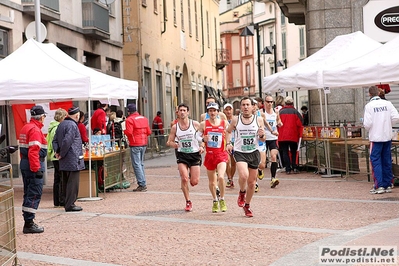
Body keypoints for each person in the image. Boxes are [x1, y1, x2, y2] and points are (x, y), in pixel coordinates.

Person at [225, 97, 266, 217]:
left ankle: (247, 205)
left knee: (252, 183)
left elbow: (263, 138)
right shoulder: (235, 120)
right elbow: (228, 131)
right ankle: (242, 192)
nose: (246, 107)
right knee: (243, 175)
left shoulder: (258, 120)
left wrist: (262, 135)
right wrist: (228, 143)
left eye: (248, 105)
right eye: (243, 105)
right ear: (241, 107)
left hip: (253, 152)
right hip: (240, 152)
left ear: (253, 107)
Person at [166, 103, 204, 211]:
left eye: (184, 110)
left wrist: (202, 146)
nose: (182, 112)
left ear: (188, 112)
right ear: (177, 112)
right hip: (182, 154)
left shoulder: (195, 124)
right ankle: (188, 201)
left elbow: (203, 138)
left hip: (194, 154)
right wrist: (173, 144)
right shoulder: (175, 127)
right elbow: (169, 141)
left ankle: (192, 175)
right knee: (184, 178)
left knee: (194, 182)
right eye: (180, 110)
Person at [364, 86, 399, 194]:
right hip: (387, 136)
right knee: (386, 159)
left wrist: (372, 128)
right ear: (379, 93)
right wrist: (388, 125)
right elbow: (396, 117)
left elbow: (367, 124)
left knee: (375, 161)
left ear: (370, 94)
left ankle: (379, 185)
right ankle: (388, 184)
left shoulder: (369, 106)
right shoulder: (387, 104)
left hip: (376, 137)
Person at [20, 105, 48, 234]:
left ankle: (28, 220)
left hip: (25, 164)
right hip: (33, 164)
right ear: (41, 117)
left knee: (28, 191)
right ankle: (29, 223)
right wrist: (36, 169)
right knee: (34, 192)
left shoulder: (26, 127)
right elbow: (33, 152)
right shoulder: (35, 130)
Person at [197, 102, 228, 213]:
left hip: (221, 154)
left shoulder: (224, 123)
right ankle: (215, 200)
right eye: (210, 110)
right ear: (208, 112)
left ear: (218, 112)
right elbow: (197, 136)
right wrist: (202, 141)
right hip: (210, 155)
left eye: (214, 110)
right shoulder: (203, 124)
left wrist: (229, 143)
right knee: (212, 182)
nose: (212, 112)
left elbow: (230, 133)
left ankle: (222, 199)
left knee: (220, 177)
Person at [53, 106, 85, 212]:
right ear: (77, 115)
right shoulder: (72, 125)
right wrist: (61, 153)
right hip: (72, 157)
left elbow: (55, 140)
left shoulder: (61, 124)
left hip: (65, 158)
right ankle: (70, 204)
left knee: (65, 181)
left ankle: (66, 202)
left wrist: (57, 151)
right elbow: (67, 141)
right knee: (73, 182)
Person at [124, 103, 152, 192]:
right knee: (141, 163)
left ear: (128, 111)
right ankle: (143, 182)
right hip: (144, 143)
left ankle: (142, 184)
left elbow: (129, 132)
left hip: (135, 143)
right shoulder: (144, 118)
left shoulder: (129, 120)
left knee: (136, 164)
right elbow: (149, 132)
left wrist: (124, 130)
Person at [46, 108, 68, 207]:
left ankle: (57, 200)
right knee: (60, 178)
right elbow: (58, 142)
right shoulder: (57, 128)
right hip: (57, 155)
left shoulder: (52, 127)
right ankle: (61, 200)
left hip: (53, 155)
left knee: (57, 179)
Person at [278, 96, 304, 174]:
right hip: (293, 135)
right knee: (294, 151)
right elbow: (300, 123)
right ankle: (295, 167)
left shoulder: (280, 112)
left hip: (282, 135)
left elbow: (277, 123)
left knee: (285, 152)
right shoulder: (295, 112)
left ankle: (288, 168)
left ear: (285, 103)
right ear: (292, 103)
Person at [264, 95, 281, 188]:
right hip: (263, 138)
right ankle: (259, 170)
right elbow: (263, 123)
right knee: (262, 162)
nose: (270, 104)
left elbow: (279, 121)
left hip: (273, 138)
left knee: (273, 156)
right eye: (268, 102)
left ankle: (273, 178)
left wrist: (280, 123)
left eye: (271, 102)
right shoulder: (262, 113)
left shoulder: (276, 112)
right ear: (264, 102)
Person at [223, 103, 236, 188]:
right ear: (224, 111)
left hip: (235, 142)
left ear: (232, 110)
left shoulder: (236, 119)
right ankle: (229, 178)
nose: (228, 111)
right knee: (227, 161)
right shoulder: (222, 120)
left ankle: (231, 178)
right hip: (226, 142)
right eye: (226, 109)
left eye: (230, 109)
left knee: (233, 162)